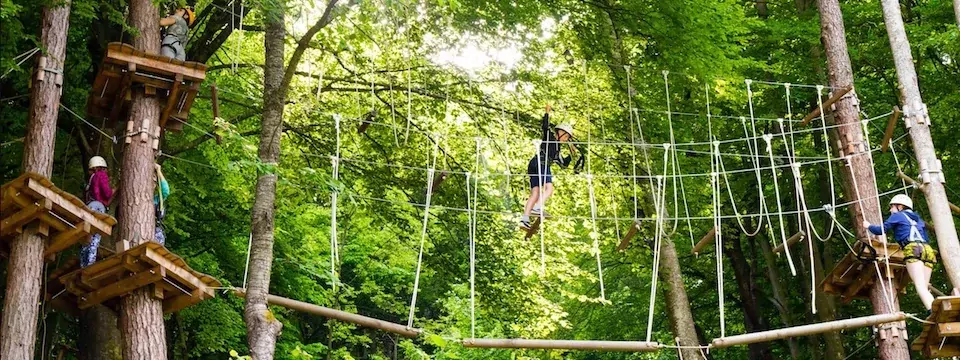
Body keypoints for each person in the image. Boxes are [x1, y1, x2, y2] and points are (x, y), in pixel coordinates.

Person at [862, 194, 937, 310]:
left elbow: (880, 230)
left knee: (920, 287)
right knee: (924, 287)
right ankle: (934, 309)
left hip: (913, 250)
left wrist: (868, 226)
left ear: (900, 206)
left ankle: (933, 311)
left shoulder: (897, 216)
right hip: (928, 250)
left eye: (892, 207)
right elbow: (925, 238)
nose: (891, 210)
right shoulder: (918, 220)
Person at [520, 104, 577, 230]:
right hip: (541, 163)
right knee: (549, 189)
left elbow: (563, 164)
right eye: (566, 136)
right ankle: (537, 207)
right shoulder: (550, 137)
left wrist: (572, 155)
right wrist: (547, 113)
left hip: (534, 164)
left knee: (535, 193)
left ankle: (524, 219)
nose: (566, 139)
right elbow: (545, 127)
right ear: (560, 133)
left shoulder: (557, 151)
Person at [81, 156, 114, 267]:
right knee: (95, 237)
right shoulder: (101, 175)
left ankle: (83, 263)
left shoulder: (89, 181)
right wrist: (113, 190)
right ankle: (90, 264)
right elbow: (107, 193)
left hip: (89, 207)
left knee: (87, 236)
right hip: (98, 207)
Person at [154, 163, 170, 245]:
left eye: (154, 181)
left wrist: (158, 171)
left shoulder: (157, 199)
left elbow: (166, 191)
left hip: (154, 230)